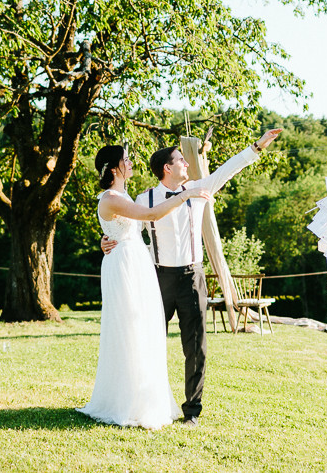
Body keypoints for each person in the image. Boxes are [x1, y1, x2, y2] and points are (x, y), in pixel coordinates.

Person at [101, 128, 282, 427]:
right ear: (166, 168)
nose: (187, 163)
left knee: (195, 348)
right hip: (156, 279)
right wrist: (105, 241)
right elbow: (126, 229)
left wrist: (258, 146)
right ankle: (141, 403)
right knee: (144, 341)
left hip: (192, 278)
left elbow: (229, 168)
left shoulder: (199, 188)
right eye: (181, 160)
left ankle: (192, 412)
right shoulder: (144, 198)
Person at [77, 145, 212, 430]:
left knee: (143, 332)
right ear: (114, 168)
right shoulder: (112, 197)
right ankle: (127, 402)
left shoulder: (123, 195)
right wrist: (185, 194)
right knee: (130, 330)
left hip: (138, 263)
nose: (131, 162)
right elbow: (150, 216)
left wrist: (108, 237)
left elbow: (123, 229)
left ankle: (145, 399)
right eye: (126, 159)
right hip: (125, 267)